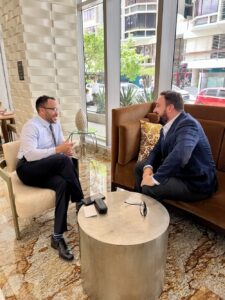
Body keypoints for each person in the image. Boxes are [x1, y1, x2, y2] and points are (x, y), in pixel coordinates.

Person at [16, 95, 84, 261]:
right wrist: (58, 151)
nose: (56, 113)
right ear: (41, 110)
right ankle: (80, 201)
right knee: (62, 159)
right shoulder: (31, 127)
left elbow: (60, 144)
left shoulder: (56, 124)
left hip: (45, 165)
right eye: (53, 109)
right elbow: (31, 155)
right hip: (28, 169)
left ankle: (57, 236)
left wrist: (66, 150)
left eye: (57, 109)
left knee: (63, 182)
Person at [135, 90, 218, 202]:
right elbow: (156, 150)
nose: (154, 110)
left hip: (195, 182)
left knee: (149, 187)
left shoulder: (189, 124)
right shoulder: (167, 125)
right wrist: (148, 168)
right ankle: (140, 204)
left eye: (158, 106)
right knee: (140, 166)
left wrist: (154, 179)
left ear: (170, 108)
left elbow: (181, 155)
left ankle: (153, 215)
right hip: (180, 172)